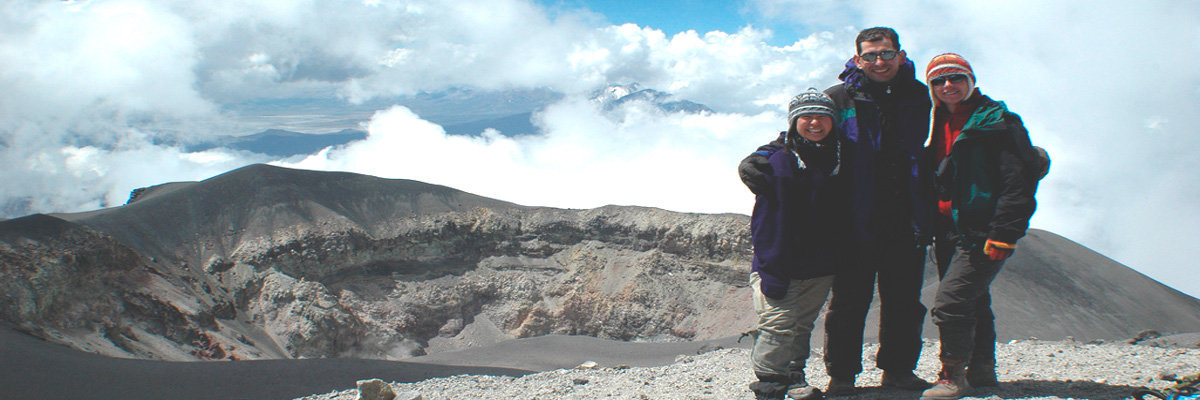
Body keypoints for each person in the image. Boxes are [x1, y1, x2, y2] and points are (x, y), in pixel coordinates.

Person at [739, 27, 933, 395]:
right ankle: (843, 375)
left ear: (901, 55)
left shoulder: (920, 97)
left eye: (886, 54)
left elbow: (940, 136)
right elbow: (802, 132)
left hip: (906, 215)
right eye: (871, 55)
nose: (879, 61)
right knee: (850, 302)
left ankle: (898, 371)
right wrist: (761, 157)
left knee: (905, 300)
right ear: (857, 59)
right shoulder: (840, 97)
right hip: (854, 218)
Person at [919, 53, 1037, 400]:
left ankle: (952, 377)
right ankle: (983, 372)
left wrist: (1005, 232)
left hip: (982, 229)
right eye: (938, 81)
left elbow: (1019, 180)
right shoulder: (938, 119)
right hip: (947, 227)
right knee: (974, 300)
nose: (947, 86)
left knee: (951, 302)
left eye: (955, 78)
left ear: (971, 80)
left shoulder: (998, 121)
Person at [746, 88, 848, 400]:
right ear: (794, 122)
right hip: (780, 263)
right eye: (806, 116)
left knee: (801, 326)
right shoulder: (777, 160)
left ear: (832, 120)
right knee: (777, 326)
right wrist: (771, 267)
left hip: (820, 265)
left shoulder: (842, 157)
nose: (815, 122)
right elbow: (766, 220)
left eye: (822, 116)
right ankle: (770, 389)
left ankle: (794, 377)